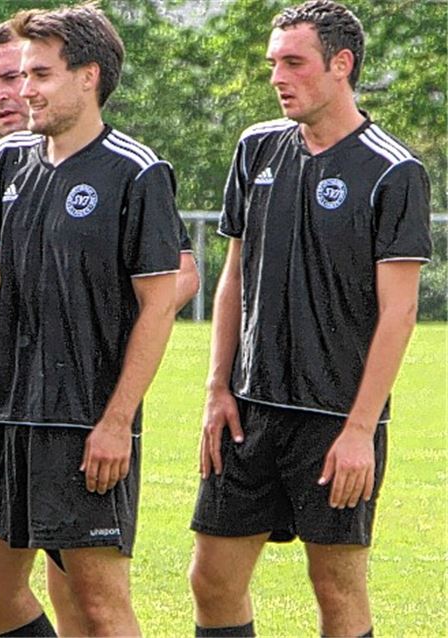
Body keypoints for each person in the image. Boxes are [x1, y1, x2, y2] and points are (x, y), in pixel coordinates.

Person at [188, 1, 431, 636]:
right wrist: (217, 389)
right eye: (273, 63)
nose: (278, 76)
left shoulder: (393, 170)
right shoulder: (257, 148)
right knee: (211, 580)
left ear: (341, 65)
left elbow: (399, 311)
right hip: (249, 409)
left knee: (336, 589)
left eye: (294, 62)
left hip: (335, 420)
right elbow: (233, 278)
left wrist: (360, 430)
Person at [0, 5, 185, 636]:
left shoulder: (135, 171)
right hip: (2, 421)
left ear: (88, 76)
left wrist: (116, 422)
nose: (23, 89)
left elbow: (157, 307)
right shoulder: (2, 164)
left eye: (40, 74)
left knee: (99, 603)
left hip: (84, 426)